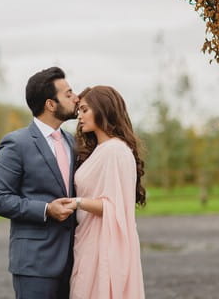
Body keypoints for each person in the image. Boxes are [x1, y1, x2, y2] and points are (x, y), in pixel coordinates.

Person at [0, 66, 79, 299]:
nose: (76, 98)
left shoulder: (73, 142)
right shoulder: (16, 144)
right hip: (35, 264)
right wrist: (47, 209)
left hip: (75, 260)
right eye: (68, 94)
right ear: (51, 104)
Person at [67, 86, 146, 299]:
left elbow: (116, 207)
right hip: (88, 242)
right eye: (78, 111)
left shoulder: (115, 151)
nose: (80, 117)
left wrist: (77, 202)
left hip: (104, 246)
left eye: (84, 110)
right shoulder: (100, 151)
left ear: (102, 109)